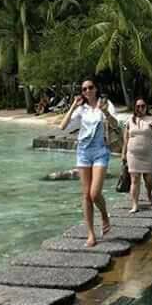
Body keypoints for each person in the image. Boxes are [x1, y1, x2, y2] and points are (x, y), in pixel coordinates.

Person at [60, 79, 119, 247]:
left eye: (90, 87)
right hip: (83, 153)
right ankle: (91, 234)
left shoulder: (105, 104)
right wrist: (73, 106)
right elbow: (62, 126)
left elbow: (115, 125)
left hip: (100, 151)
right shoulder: (81, 110)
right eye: (84, 89)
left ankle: (105, 215)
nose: (87, 91)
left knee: (94, 193)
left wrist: (105, 112)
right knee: (86, 194)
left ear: (96, 88)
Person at [121, 99, 152, 213]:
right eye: (138, 106)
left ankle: (149, 193)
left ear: (146, 107)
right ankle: (135, 204)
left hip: (147, 154)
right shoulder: (129, 120)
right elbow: (125, 139)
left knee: (149, 180)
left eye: (143, 106)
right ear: (135, 107)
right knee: (135, 179)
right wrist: (123, 153)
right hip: (132, 154)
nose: (140, 108)